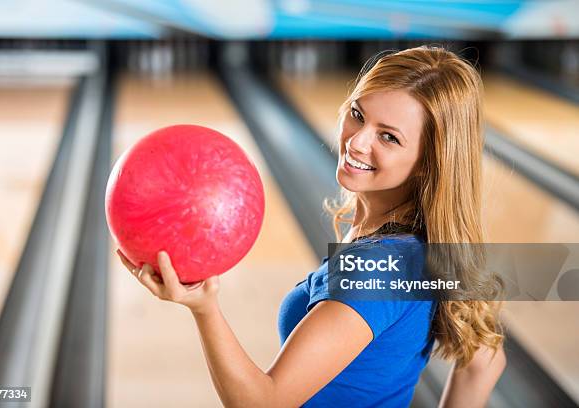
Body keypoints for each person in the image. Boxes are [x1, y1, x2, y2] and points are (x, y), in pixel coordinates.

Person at [117, 45, 507, 407]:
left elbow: (263, 402)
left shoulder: (378, 270)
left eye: (388, 137)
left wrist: (204, 308)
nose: (356, 143)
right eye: (358, 114)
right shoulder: (424, 245)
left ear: (428, 162)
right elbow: (485, 360)